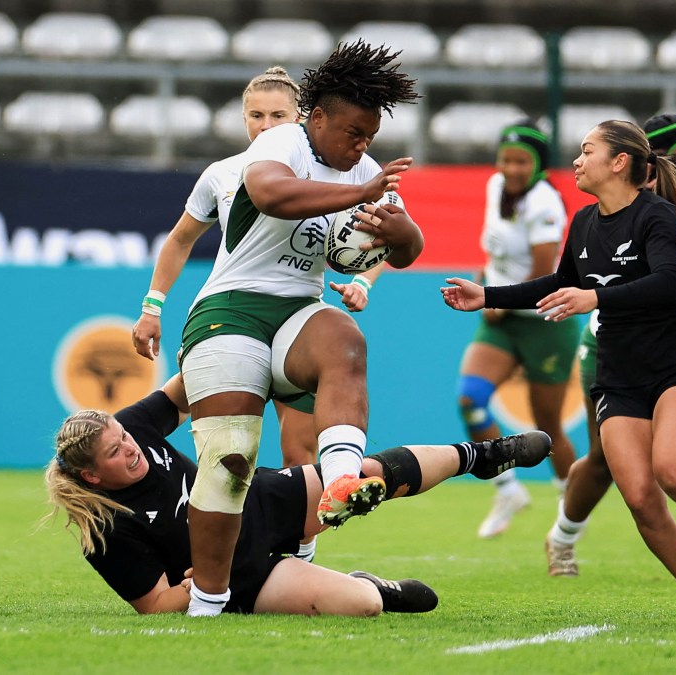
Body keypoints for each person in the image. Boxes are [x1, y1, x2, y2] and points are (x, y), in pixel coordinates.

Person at [443, 120, 676, 631]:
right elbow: (560, 283)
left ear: (620, 162)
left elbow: (669, 283)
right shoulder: (583, 222)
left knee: (673, 470)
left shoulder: (659, 215)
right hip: (619, 375)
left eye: (586, 151)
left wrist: (595, 297)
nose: (576, 161)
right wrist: (485, 295)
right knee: (640, 495)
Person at [133, 40, 423, 618]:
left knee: (344, 339)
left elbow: (407, 249)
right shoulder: (283, 142)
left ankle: (341, 481)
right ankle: (209, 599)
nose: (362, 146)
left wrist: (399, 230)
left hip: (296, 308)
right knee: (230, 458)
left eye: (369, 136)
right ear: (315, 119)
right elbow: (268, 193)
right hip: (232, 309)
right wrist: (152, 304)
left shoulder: (363, 171)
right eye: (353, 133)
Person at [43, 375, 552, 616]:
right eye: (114, 453)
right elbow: (153, 605)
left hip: (255, 501)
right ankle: (372, 585)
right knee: (365, 607)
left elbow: (186, 389)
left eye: (123, 437)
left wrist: (223, 346)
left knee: (362, 477)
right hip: (239, 576)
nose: (129, 448)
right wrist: (196, 587)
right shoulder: (102, 529)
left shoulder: (133, 427)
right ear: (92, 477)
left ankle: (483, 456)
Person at [133, 65, 385, 473]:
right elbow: (180, 239)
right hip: (232, 314)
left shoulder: (341, 166)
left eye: (278, 116)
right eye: (256, 116)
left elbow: (372, 241)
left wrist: (363, 282)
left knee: (298, 456)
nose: (266, 126)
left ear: (303, 118)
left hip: (297, 319)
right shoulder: (222, 174)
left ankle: (305, 537)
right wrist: (152, 306)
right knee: (222, 455)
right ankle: (97, 450)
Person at [542, 114, 676, 578]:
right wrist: (487, 296)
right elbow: (566, 280)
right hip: (615, 343)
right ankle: (562, 536)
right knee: (607, 458)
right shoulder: (614, 210)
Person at [455, 120, 580, 539]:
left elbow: (543, 273)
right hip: (501, 319)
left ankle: (570, 514)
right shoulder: (495, 187)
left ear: (538, 164)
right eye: (505, 159)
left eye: (521, 160)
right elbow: (497, 249)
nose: (510, 168)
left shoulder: (546, 202)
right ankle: (507, 489)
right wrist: (485, 275)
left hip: (544, 322)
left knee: (548, 425)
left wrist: (494, 298)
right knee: (470, 399)